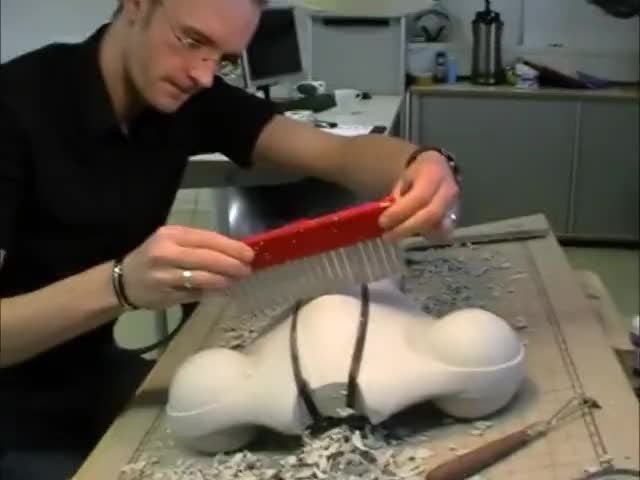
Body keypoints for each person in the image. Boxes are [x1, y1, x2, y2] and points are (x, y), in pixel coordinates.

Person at [0, 0, 460, 478]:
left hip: (92, 376)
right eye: (192, 40)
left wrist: (423, 163)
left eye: (222, 58)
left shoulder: (187, 96)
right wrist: (120, 285)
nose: (203, 75)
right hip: (15, 415)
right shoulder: (16, 106)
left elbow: (338, 154)